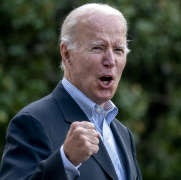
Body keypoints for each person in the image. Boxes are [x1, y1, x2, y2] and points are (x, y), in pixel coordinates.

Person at [0, 3, 142, 180]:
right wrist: (65, 160)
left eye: (119, 50)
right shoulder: (32, 122)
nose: (110, 61)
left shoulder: (123, 134)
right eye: (98, 48)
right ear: (66, 54)